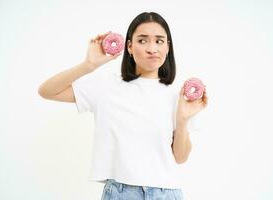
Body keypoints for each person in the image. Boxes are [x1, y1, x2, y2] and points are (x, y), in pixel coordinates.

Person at [38, 11, 208, 200]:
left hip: (167, 193)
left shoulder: (179, 95)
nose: (152, 48)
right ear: (129, 46)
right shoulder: (106, 86)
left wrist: (182, 120)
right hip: (122, 193)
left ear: (168, 47)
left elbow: (180, 158)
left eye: (159, 41)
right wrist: (88, 65)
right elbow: (47, 91)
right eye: (142, 41)